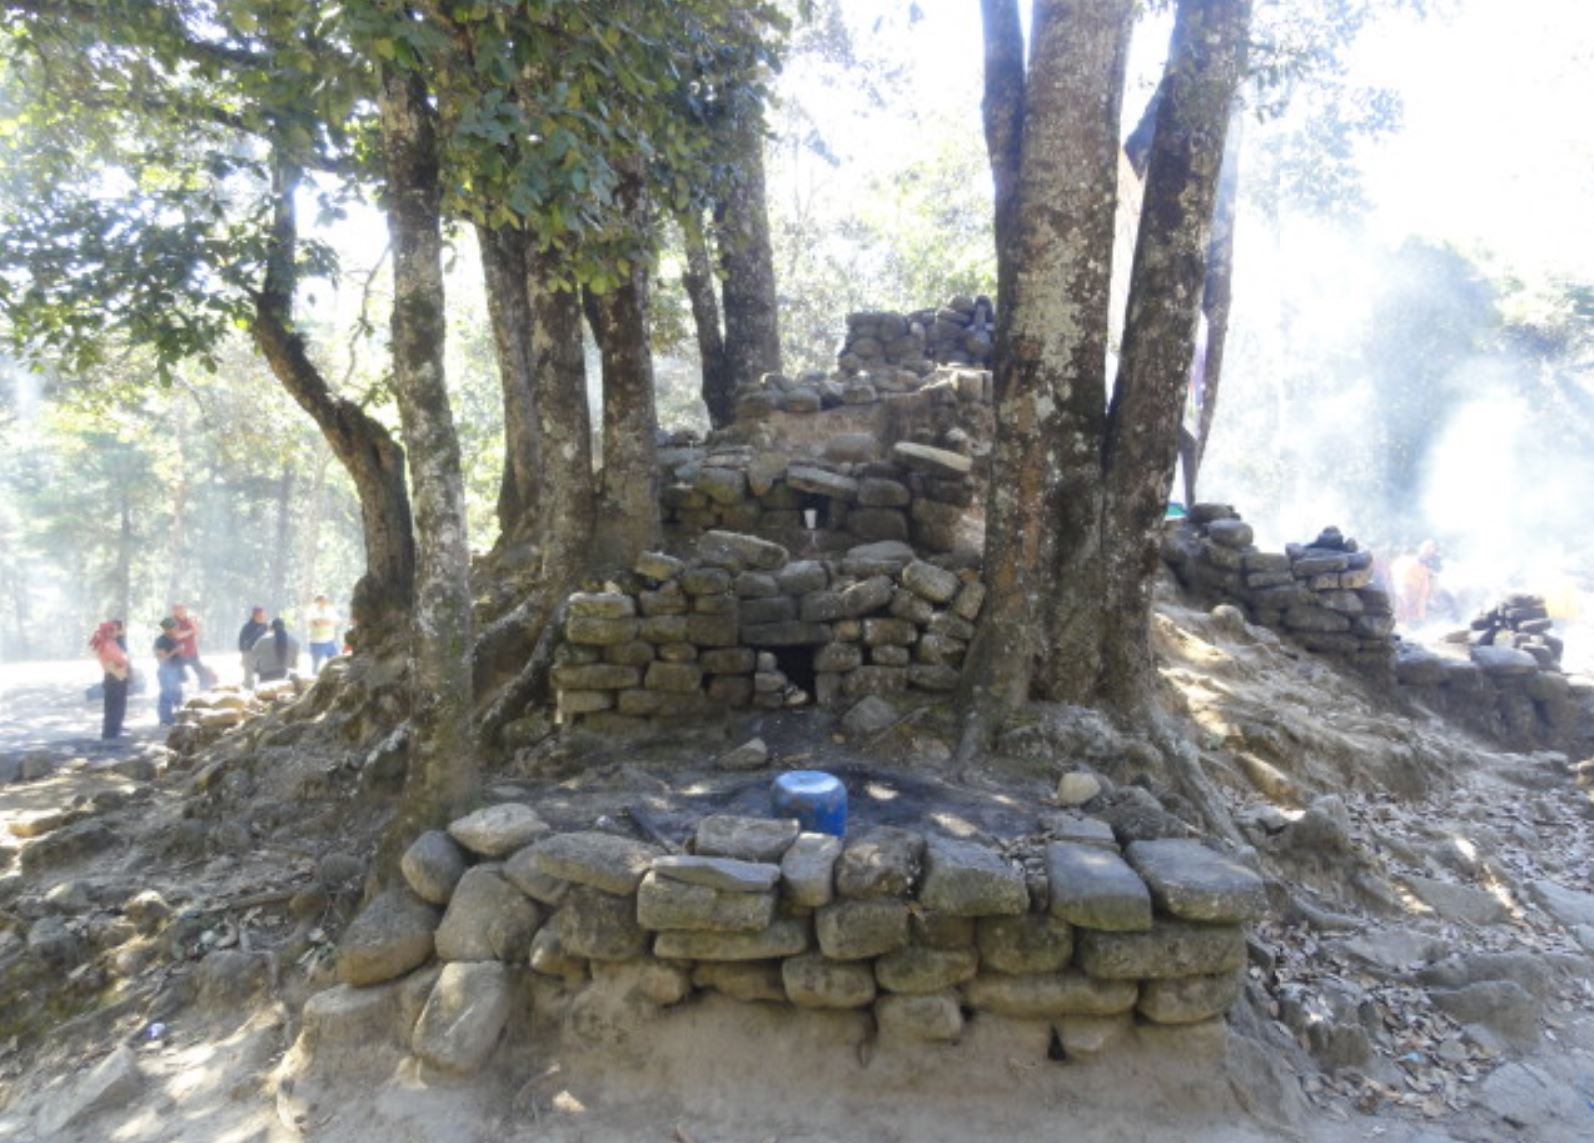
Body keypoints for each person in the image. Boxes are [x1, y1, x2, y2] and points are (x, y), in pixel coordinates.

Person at [90, 619, 130, 739]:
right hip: (115, 677)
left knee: (112, 707)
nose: (117, 632)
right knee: (115, 707)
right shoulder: (109, 644)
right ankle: (112, 734)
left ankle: (111, 732)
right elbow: (120, 660)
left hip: (112, 676)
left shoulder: (105, 643)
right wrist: (125, 663)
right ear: (109, 632)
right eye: (114, 630)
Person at [1392, 539, 1441, 626]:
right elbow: (1422, 594)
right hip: (1410, 592)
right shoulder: (1417, 565)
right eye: (1429, 548)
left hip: (1399, 594)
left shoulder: (1397, 563)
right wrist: (1421, 617)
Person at [171, 602, 215, 688]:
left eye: (183, 609)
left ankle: (204, 687)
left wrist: (194, 623)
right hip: (176, 653)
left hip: (191, 652)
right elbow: (177, 635)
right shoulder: (168, 621)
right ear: (174, 611)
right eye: (178, 609)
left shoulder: (189, 620)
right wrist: (191, 631)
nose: (181, 612)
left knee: (201, 671)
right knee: (172, 674)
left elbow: (198, 632)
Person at [153, 617, 185, 726]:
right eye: (175, 627)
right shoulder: (161, 641)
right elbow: (161, 659)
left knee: (177, 694)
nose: (177, 629)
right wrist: (175, 651)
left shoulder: (173, 639)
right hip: (166, 672)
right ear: (167, 629)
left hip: (175, 671)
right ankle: (165, 719)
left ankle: (175, 716)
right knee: (167, 695)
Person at [248, 617, 300, 683]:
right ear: (284, 627)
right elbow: (295, 664)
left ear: (271, 628)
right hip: (285, 677)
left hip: (266, 675)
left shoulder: (263, 640)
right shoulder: (294, 642)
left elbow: (253, 654)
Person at [307, 594, 340, 674]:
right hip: (316, 642)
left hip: (330, 641)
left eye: (326, 600)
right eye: (323, 600)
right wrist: (328, 621)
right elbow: (316, 623)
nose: (326, 602)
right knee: (316, 665)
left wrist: (324, 621)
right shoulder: (312, 610)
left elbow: (337, 621)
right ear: (318, 601)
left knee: (335, 662)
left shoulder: (330, 610)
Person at [238, 605, 269, 689]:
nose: (262, 617)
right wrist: (243, 657)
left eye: (263, 616)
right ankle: (248, 687)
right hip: (250, 653)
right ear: (254, 616)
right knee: (248, 677)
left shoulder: (265, 626)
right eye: (260, 616)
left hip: (263, 654)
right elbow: (242, 643)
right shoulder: (247, 627)